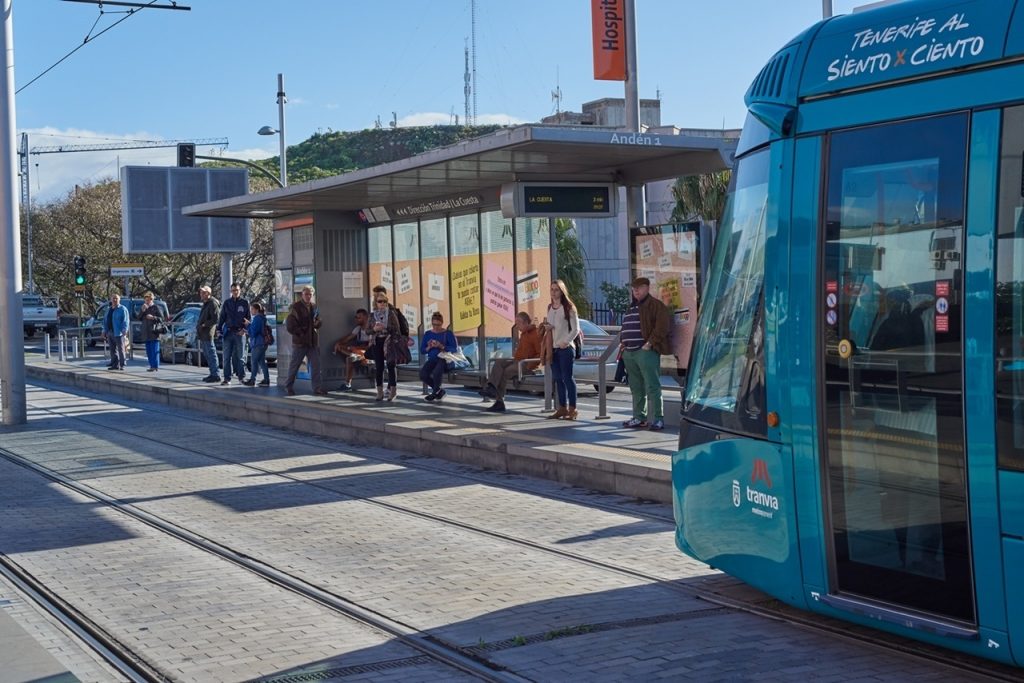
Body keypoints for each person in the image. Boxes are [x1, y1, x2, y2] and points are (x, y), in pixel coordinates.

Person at [619, 276, 671, 431]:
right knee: (636, 387)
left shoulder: (656, 305)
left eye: (639, 288)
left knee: (652, 386)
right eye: (634, 289)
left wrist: (649, 344)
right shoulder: (631, 307)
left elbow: (662, 326)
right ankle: (639, 417)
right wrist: (623, 343)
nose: (636, 291)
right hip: (629, 352)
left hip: (645, 352)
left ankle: (658, 418)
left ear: (647, 288)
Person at [480, 312, 542, 413]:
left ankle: (499, 401)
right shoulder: (524, 334)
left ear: (526, 323)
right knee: (498, 363)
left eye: (519, 323)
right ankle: (491, 387)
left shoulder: (535, 334)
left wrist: (529, 366)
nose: (517, 327)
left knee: (505, 372)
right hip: (517, 361)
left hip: (526, 364)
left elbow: (540, 354)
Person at [541, 279, 580, 420]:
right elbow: (551, 325)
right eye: (552, 289)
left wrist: (566, 341)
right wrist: (547, 327)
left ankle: (573, 408)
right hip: (553, 348)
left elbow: (576, 329)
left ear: (562, 291)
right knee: (557, 378)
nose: (553, 292)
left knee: (567, 378)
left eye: (556, 289)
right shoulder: (550, 307)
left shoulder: (569, 307)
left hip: (565, 348)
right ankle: (562, 407)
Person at [284, 286, 327, 396]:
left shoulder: (314, 306)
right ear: (302, 295)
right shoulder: (296, 307)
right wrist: (300, 333)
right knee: (295, 365)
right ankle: (288, 386)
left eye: (310, 294)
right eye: (306, 294)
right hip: (300, 342)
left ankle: (317, 388)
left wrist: (318, 323)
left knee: (316, 365)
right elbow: (290, 325)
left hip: (312, 341)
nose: (308, 296)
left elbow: (318, 321)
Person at [369, 292, 401, 401]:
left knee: (391, 366)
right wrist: (374, 329)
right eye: (380, 301)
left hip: (389, 341)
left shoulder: (391, 314)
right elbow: (367, 330)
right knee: (379, 367)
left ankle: (393, 391)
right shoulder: (372, 315)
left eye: (384, 301)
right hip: (377, 341)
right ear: (376, 303)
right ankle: (379, 392)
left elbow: (397, 329)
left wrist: (385, 328)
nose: (382, 303)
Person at [217, 282, 250, 385]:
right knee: (226, 357)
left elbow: (248, 318)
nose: (235, 292)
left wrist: (244, 330)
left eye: (237, 290)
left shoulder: (245, 303)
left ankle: (241, 377)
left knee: (241, 357)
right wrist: (219, 329)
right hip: (228, 332)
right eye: (233, 290)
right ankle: (227, 378)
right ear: (231, 291)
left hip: (240, 332)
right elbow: (222, 317)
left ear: (240, 291)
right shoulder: (227, 303)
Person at [332, 308, 373, 390]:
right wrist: (338, 343)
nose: (356, 319)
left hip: (368, 352)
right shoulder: (358, 329)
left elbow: (370, 347)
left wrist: (355, 348)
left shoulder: (371, 329)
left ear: (365, 318)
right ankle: (354, 355)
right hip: (357, 351)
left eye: (359, 317)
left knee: (351, 356)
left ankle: (347, 384)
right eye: (356, 317)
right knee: (342, 349)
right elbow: (347, 338)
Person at [419, 312, 457, 402]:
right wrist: (429, 346)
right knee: (423, 374)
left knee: (437, 372)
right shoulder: (428, 334)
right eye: (434, 324)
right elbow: (422, 350)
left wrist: (441, 346)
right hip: (432, 359)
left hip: (444, 359)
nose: (436, 327)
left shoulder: (448, 333)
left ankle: (435, 393)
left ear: (442, 323)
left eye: (438, 325)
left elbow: (454, 349)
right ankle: (438, 391)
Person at [196, 285, 221, 383]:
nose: (201, 294)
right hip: (203, 333)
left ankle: (216, 374)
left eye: (203, 292)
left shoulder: (213, 303)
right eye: (201, 292)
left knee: (211, 354)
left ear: (208, 293)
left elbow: (215, 319)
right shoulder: (206, 303)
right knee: (207, 354)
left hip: (208, 333)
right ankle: (212, 373)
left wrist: (204, 324)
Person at [244, 302, 271, 387]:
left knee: (254, 361)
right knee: (262, 362)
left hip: (258, 343)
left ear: (256, 310)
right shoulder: (263, 318)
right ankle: (266, 379)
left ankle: (253, 380)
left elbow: (253, 333)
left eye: (252, 309)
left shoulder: (257, 318)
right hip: (263, 343)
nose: (251, 311)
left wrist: (248, 325)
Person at [102, 293, 129, 371]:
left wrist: (124, 330)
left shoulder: (122, 309)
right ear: (111, 299)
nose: (114, 300)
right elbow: (105, 321)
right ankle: (114, 364)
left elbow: (125, 321)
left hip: (118, 332)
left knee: (121, 349)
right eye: (113, 298)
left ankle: (122, 364)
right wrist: (104, 331)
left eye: (116, 298)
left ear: (119, 300)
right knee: (112, 349)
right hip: (110, 332)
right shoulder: (108, 309)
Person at [138, 291, 162, 372]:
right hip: (146, 332)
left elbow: (162, 318)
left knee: (154, 350)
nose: (147, 301)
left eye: (148, 299)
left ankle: (156, 366)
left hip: (154, 332)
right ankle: (151, 365)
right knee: (148, 351)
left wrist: (153, 317)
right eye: (146, 299)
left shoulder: (156, 307)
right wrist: (142, 310)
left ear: (152, 299)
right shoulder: (144, 308)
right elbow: (138, 318)